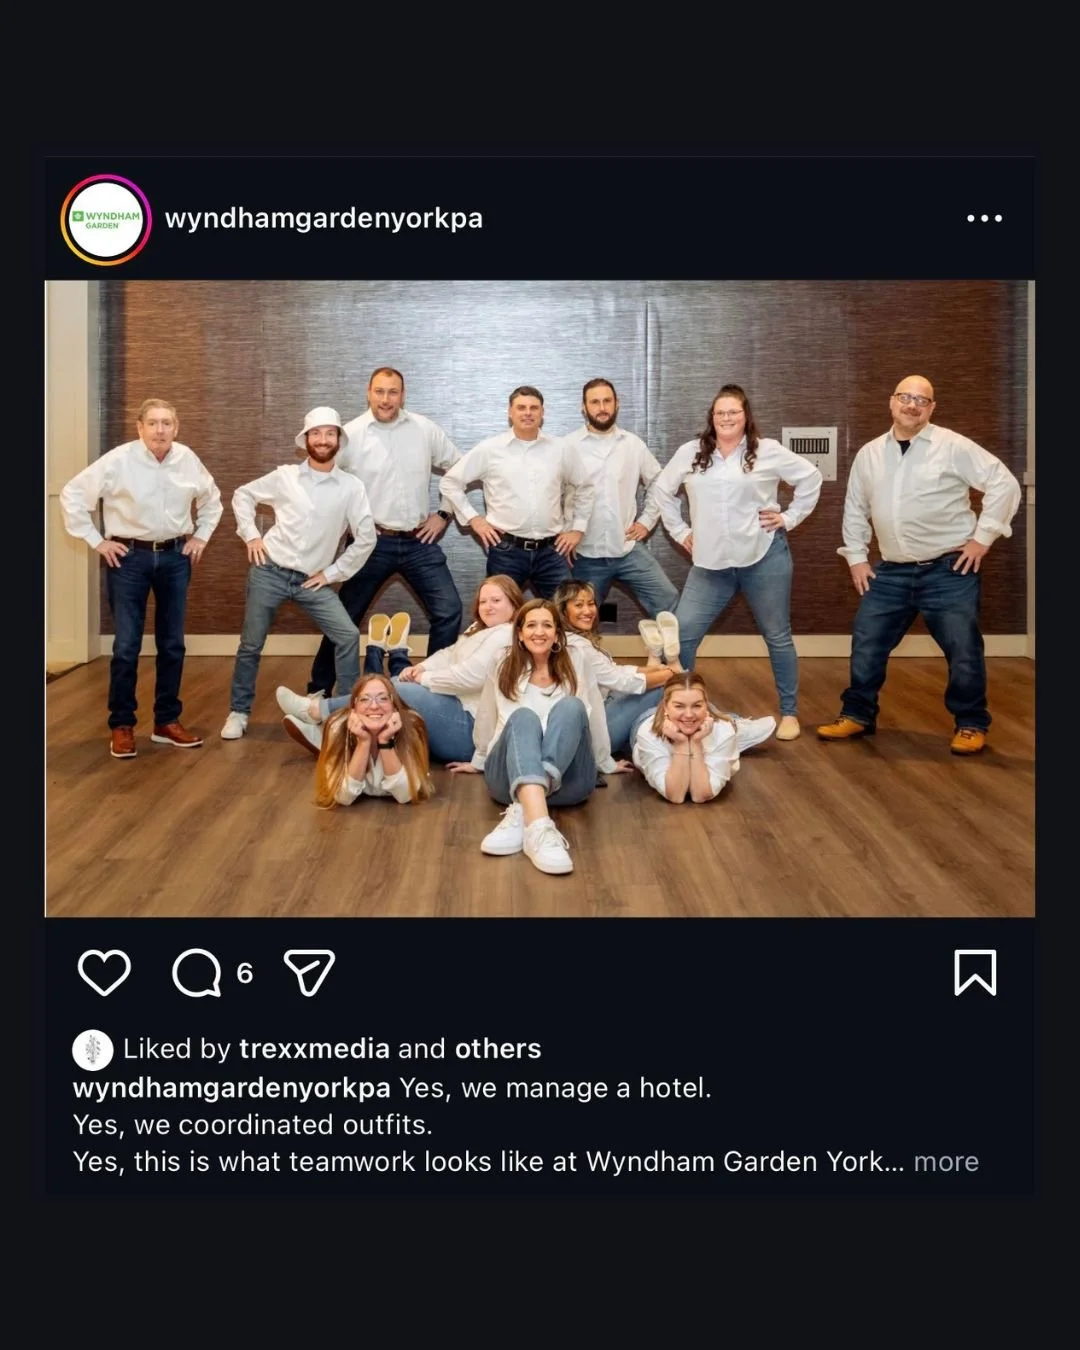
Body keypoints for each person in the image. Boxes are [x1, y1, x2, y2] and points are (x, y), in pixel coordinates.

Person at [817, 374, 1022, 754]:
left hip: (949, 570)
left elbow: (1004, 483)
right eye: (905, 397)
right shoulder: (870, 453)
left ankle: (971, 723)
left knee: (963, 648)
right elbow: (855, 508)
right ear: (891, 402)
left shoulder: (952, 446)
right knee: (866, 641)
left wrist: (983, 538)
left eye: (921, 400)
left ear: (932, 408)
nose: (912, 405)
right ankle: (857, 715)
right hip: (891, 571)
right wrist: (857, 558)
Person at [652, 383, 822, 742]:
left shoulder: (768, 452)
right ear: (711, 419)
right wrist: (681, 531)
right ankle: (677, 712)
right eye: (720, 413)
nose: (727, 418)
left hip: (764, 557)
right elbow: (661, 492)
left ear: (746, 417)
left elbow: (811, 477)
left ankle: (789, 713)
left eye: (734, 412)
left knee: (777, 636)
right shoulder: (691, 453)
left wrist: (789, 518)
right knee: (682, 637)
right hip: (710, 564)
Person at [59, 397, 223, 759]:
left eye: (167, 423)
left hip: (175, 557)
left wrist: (201, 536)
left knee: (172, 644)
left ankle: (167, 722)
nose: (160, 430)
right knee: (126, 646)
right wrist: (97, 541)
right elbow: (72, 495)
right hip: (128, 558)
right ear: (140, 427)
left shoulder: (187, 459)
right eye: (153, 423)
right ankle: (122, 725)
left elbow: (213, 500)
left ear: (176, 428)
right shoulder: (119, 460)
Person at [220, 407, 376, 740]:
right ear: (306, 440)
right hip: (270, 571)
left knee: (347, 636)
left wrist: (333, 572)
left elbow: (367, 537)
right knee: (251, 644)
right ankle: (239, 711)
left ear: (338, 440)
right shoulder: (285, 476)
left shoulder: (351, 487)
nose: (322, 440)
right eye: (316, 433)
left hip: (312, 580)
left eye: (329, 433)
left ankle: (345, 713)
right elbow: (242, 495)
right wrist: (251, 534)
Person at [306, 367, 464, 695]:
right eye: (379, 391)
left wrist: (444, 514)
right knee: (344, 617)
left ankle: (431, 688)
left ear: (402, 395)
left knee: (449, 610)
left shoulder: (424, 429)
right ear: (368, 392)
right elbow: (328, 484)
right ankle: (318, 689)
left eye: (393, 392)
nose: (386, 399)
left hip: (420, 541)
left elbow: (459, 470)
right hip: (371, 542)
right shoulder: (350, 435)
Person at [275, 575, 526, 761]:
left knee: (397, 691)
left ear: (514, 604)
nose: (488, 606)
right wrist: (422, 668)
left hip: (469, 729)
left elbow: (471, 677)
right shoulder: (479, 630)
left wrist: (424, 679)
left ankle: (318, 711)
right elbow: (448, 655)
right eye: (483, 601)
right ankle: (334, 735)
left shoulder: (506, 635)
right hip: (454, 709)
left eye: (496, 600)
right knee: (394, 689)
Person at [455, 599, 611, 875]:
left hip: (568, 785)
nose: (539, 632)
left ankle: (524, 810)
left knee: (573, 706)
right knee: (523, 717)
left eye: (547, 625)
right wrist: (480, 759)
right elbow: (487, 714)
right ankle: (539, 826)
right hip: (506, 781)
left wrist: (605, 761)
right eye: (531, 625)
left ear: (557, 635)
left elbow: (594, 712)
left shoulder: (576, 658)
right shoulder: (503, 660)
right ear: (519, 633)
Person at [553, 579, 776, 761]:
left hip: (605, 709)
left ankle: (719, 727)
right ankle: (731, 728)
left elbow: (613, 671)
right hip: (597, 732)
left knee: (659, 701)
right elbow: (623, 681)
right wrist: (671, 674)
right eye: (579, 605)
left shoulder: (574, 640)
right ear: (563, 611)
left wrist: (656, 669)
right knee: (665, 689)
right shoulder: (577, 647)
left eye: (591, 604)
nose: (588, 610)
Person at [438, 386, 596, 598]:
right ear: (510, 412)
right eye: (521, 407)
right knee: (498, 618)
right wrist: (474, 519)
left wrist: (578, 528)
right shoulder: (490, 449)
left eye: (534, 408)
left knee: (563, 618)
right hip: (506, 551)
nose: (528, 413)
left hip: (552, 551)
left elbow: (585, 487)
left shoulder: (561, 449)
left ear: (542, 413)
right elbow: (450, 482)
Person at [566, 378, 680, 617]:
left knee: (668, 600)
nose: (602, 407)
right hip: (585, 555)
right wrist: (562, 533)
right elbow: (550, 494)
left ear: (617, 404)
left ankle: (664, 654)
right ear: (583, 407)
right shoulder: (567, 447)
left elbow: (660, 481)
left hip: (627, 549)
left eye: (607, 401)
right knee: (573, 619)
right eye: (594, 402)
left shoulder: (632, 445)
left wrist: (646, 521)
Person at [313, 673, 434, 808]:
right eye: (365, 699)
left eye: (383, 698)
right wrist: (363, 743)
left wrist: (385, 741)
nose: (374, 706)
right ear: (354, 707)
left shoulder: (411, 725)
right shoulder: (337, 725)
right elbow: (343, 797)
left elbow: (405, 795)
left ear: (394, 705)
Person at [630, 673, 742, 804]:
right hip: (649, 719)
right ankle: (737, 722)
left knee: (724, 724)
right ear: (665, 706)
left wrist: (695, 742)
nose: (688, 714)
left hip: (694, 720)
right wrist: (681, 743)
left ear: (706, 705)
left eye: (697, 705)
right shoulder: (647, 732)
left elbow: (701, 795)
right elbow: (675, 795)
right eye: (679, 706)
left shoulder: (724, 732)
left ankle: (735, 722)